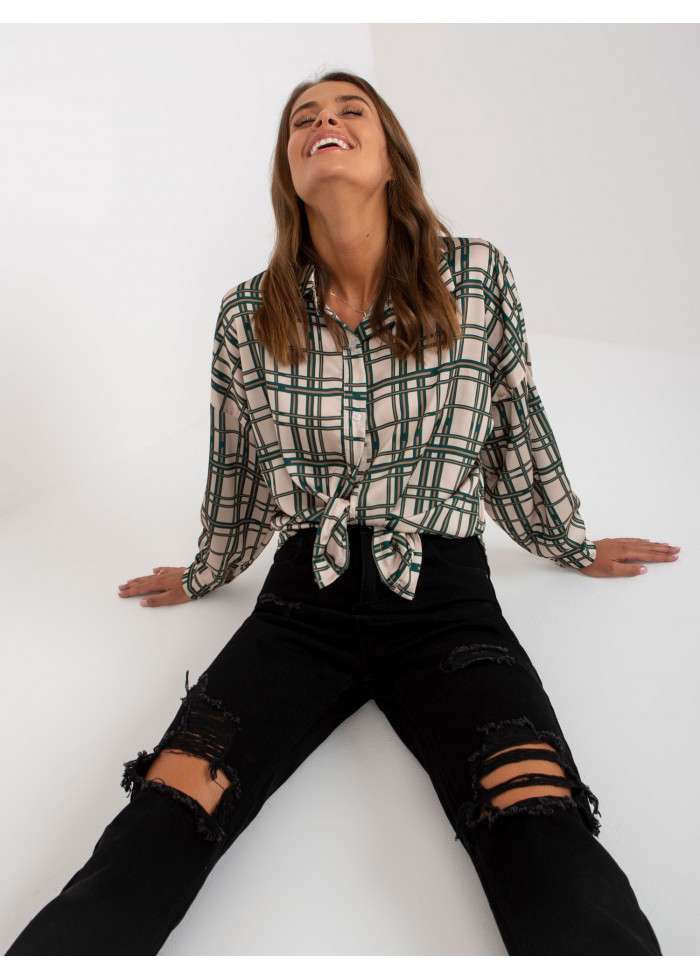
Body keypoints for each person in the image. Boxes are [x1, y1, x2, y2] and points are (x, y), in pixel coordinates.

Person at [6, 69, 672, 957]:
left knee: (533, 812)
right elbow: (236, 467)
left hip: (446, 605)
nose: (325, 121)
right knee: (168, 809)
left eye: (350, 110)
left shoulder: (475, 276)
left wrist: (570, 543)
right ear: (289, 169)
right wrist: (205, 572)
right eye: (304, 119)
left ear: (391, 155)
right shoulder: (248, 315)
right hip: (298, 611)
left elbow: (514, 426)